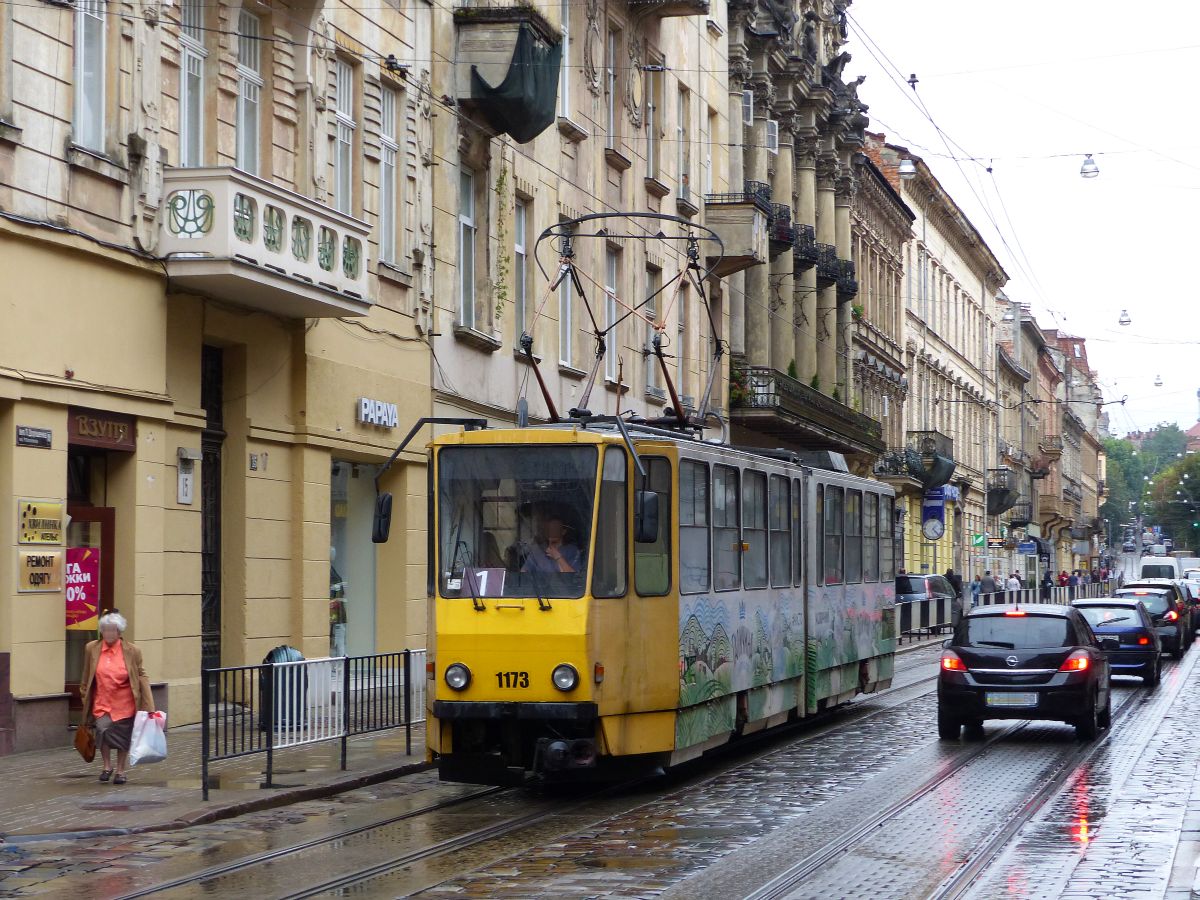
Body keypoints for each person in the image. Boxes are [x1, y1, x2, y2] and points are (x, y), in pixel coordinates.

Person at [79, 610, 154, 785]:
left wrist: (149, 705)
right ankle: (107, 766)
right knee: (102, 732)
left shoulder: (132, 651)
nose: (109, 633)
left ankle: (120, 770)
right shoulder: (92, 648)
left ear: (119, 632)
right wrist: (84, 695)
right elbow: (86, 674)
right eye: (105, 630)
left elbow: (142, 676)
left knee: (122, 737)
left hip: (125, 702)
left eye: (112, 630)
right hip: (101, 702)